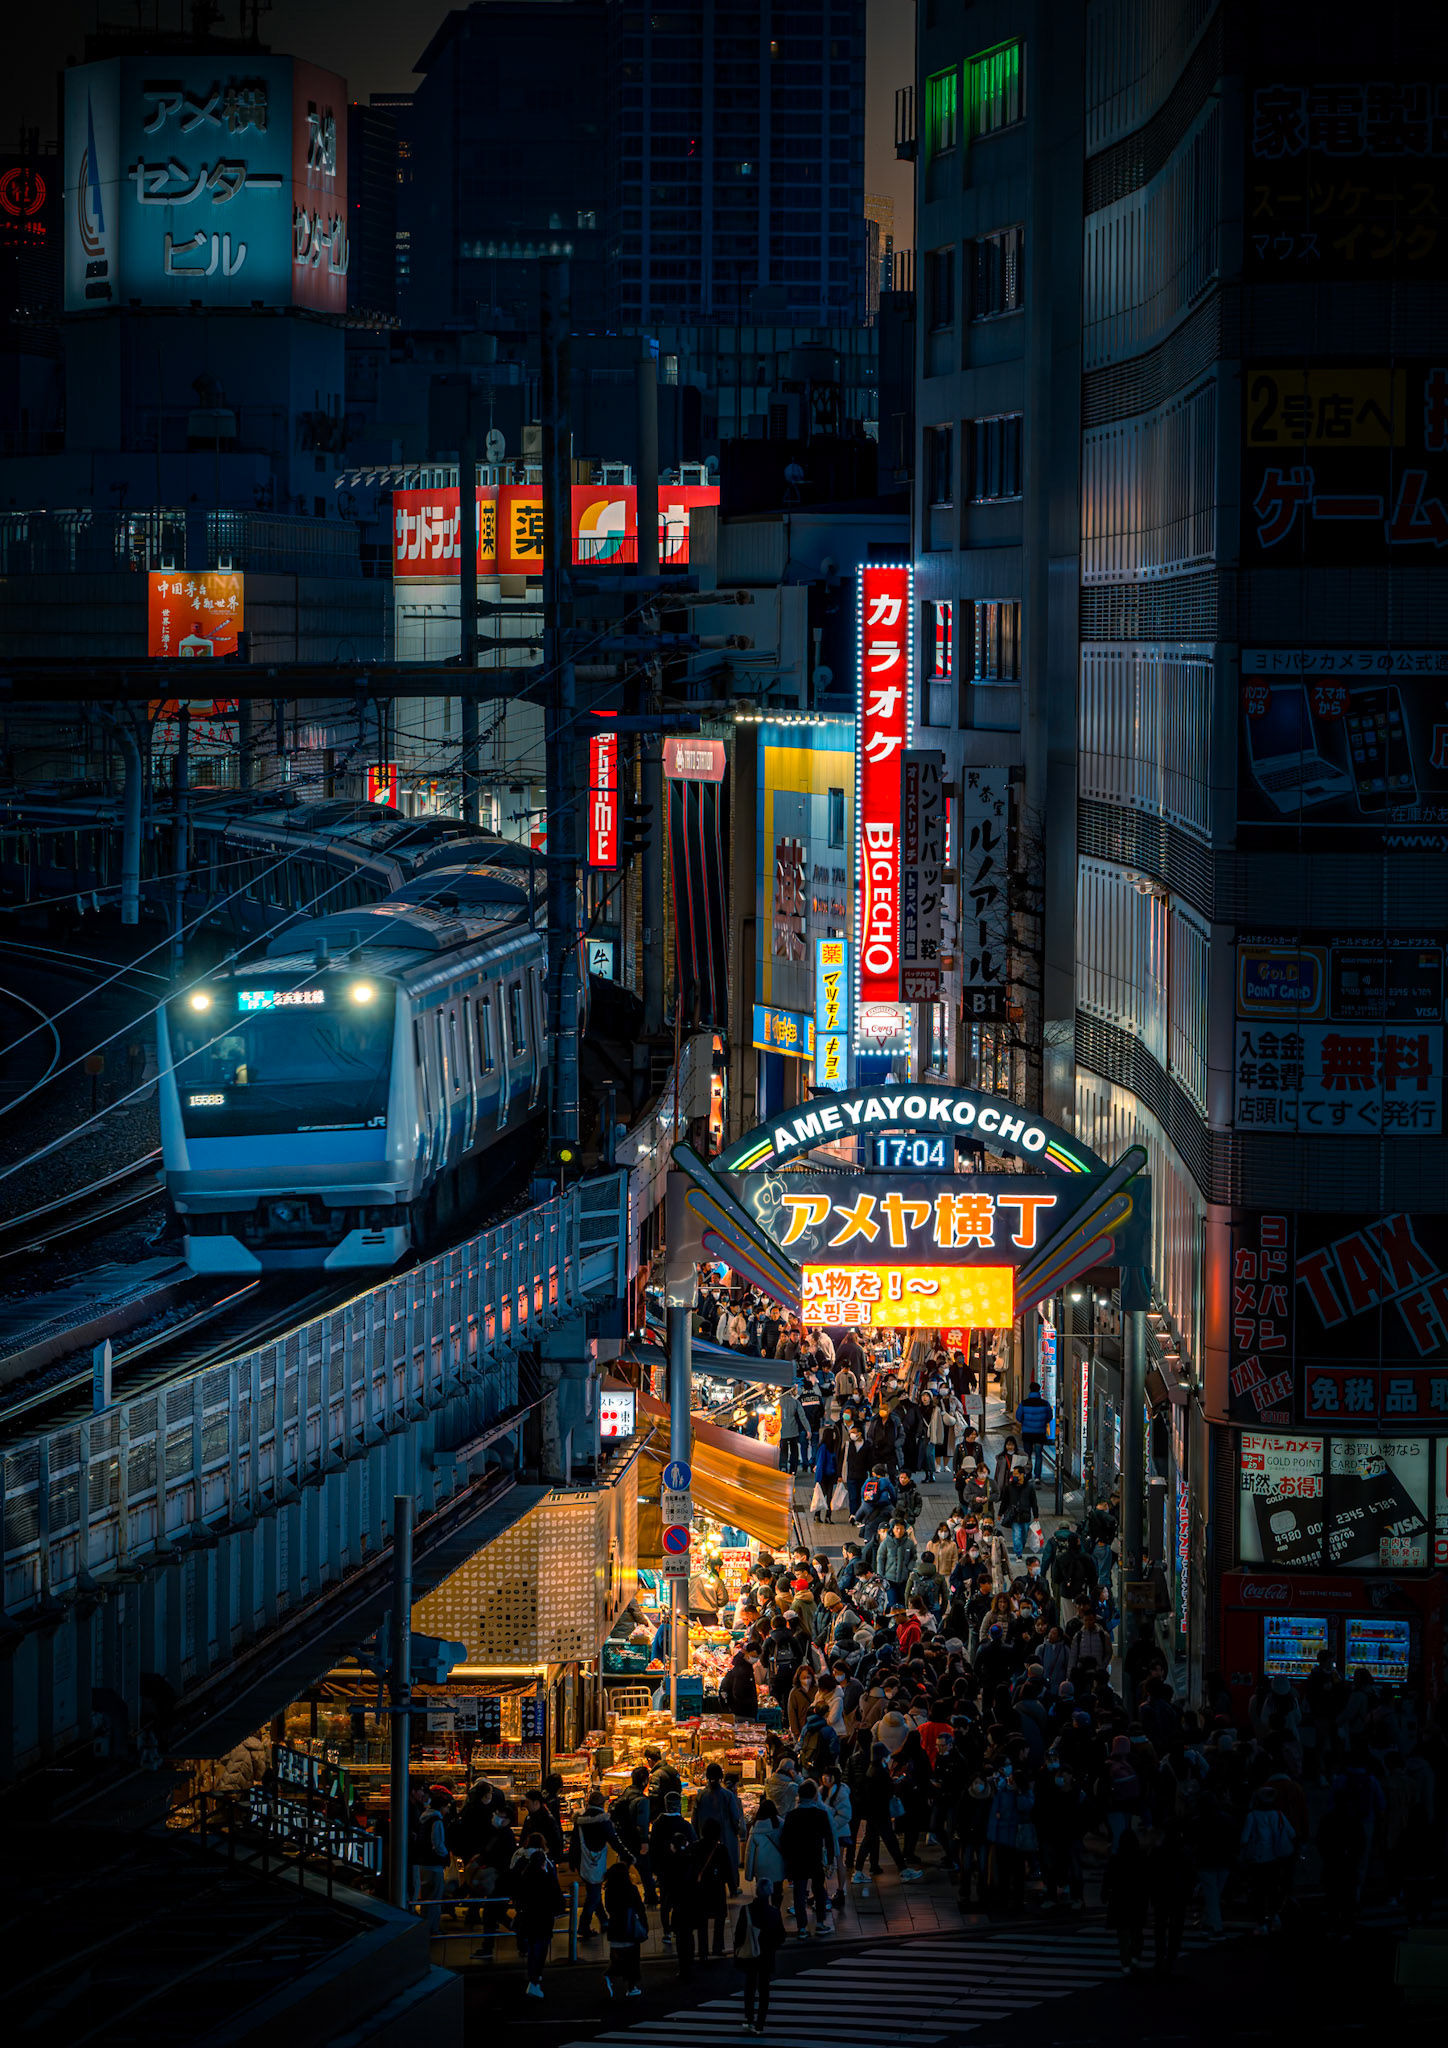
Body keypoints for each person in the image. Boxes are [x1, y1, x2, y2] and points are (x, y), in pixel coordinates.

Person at [780, 1778, 837, 1937]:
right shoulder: (820, 1814)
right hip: (815, 1857)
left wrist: (786, 1859)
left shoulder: (792, 1816)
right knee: (818, 1890)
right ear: (814, 1796)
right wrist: (830, 1858)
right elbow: (829, 1838)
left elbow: (785, 1839)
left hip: (797, 1859)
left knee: (799, 1893)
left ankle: (802, 1928)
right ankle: (819, 1923)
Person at [511, 1834, 567, 1998]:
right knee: (540, 1949)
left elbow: (517, 1895)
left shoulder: (523, 1874)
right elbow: (558, 1900)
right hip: (543, 1919)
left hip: (528, 1917)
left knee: (532, 1948)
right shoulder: (547, 1878)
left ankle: (533, 1978)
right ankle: (535, 1980)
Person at [571, 1788, 629, 1936]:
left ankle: (604, 1921)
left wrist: (573, 1862)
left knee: (593, 1891)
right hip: (597, 1862)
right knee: (594, 1894)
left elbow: (574, 1843)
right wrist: (627, 1856)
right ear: (603, 1804)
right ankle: (584, 1925)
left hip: (582, 1861)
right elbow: (615, 1842)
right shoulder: (604, 1821)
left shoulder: (579, 1821)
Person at [733, 1883, 787, 2035]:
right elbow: (781, 1936)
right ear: (769, 1893)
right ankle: (760, 2023)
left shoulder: (747, 1910)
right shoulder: (774, 1912)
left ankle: (749, 2018)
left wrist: (737, 1950)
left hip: (751, 1954)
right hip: (767, 1955)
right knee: (764, 1990)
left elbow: (739, 1933)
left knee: (749, 1987)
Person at [649, 1791, 697, 1957]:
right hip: (682, 1871)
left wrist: (655, 1869)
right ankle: (678, 1929)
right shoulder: (685, 1825)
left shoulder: (657, 1825)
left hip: (664, 1870)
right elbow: (694, 1846)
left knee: (665, 1901)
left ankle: (666, 1931)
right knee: (680, 1901)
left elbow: (652, 1849)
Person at [1146, 1819, 1194, 1976]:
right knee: (1176, 1929)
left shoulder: (1157, 1852)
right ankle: (1171, 1959)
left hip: (1161, 1894)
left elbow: (1151, 1875)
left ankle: (1160, 1958)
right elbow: (1190, 1875)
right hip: (1179, 1893)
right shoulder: (1184, 1851)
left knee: (1160, 1927)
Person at [1102, 1824, 1149, 1975]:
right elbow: (1148, 1879)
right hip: (1137, 1899)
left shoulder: (1116, 1859)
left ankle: (1126, 1964)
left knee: (1123, 1935)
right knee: (1137, 1931)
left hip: (1119, 1900)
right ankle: (1134, 1957)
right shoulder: (1142, 1858)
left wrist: (1104, 1893)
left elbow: (1107, 1879)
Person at [694, 1761, 746, 1896]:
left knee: (708, 1862)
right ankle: (733, 1888)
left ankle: (708, 1890)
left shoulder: (701, 1795)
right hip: (726, 1835)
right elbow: (735, 1817)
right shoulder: (728, 1795)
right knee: (729, 1862)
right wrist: (736, 1831)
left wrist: (697, 1832)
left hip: (705, 1836)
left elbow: (694, 1818)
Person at [602, 1860, 648, 1999]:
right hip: (629, 1928)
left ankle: (610, 1974)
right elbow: (640, 1909)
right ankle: (631, 1987)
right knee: (632, 1960)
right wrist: (644, 1925)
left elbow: (608, 1908)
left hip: (615, 1929)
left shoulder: (609, 1889)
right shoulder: (631, 1889)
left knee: (617, 1957)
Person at [412, 1789, 450, 1934]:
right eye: (446, 1807)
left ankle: (425, 1926)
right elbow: (438, 1844)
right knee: (434, 1898)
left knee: (426, 1899)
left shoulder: (423, 1817)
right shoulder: (437, 1821)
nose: (447, 1810)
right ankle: (432, 1928)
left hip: (422, 1863)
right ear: (442, 1807)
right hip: (434, 1864)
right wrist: (445, 1856)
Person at [744, 1795, 787, 1896]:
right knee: (777, 1891)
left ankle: (764, 1909)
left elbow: (750, 1852)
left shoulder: (755, 1827)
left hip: (761, 1867)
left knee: (762, 1891)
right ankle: (776, 1909)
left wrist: (748, 1874)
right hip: (777, 1865)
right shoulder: (781, 1825)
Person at [1015, 1381, 1055, 1480]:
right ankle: (1037, 1476)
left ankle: (1028, 1474)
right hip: (1040, 1433)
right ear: (1039, 1390)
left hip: (1027, 1433)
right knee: (1038, 1455)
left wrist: (1025, 1423)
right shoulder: (1045, 1404)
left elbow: (1018, 1417)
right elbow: (1049, 1417)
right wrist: (1042, 1423)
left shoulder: (1024, 1403)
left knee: (1027, 1455)